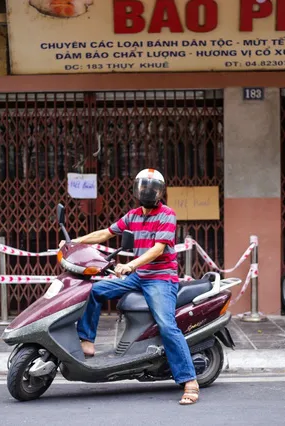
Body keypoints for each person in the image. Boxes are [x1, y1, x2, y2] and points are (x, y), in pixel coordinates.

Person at [60, 168, 199, 405]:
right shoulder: (133, 216)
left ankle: (189, 381)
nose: (147, 192)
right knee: (95, 290)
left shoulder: (167, 214)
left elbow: (157, 249)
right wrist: (74, 242)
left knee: (166, 325)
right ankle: (87, 340)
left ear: (160, 192)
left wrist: (131, 265)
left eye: (152, 188)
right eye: (143, 187)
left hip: (161, 278)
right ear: (137, 189)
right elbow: (105, 233)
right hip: (139, 275)